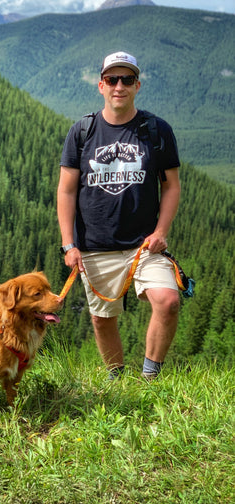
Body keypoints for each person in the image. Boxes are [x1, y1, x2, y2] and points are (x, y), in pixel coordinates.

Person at [57, 51, 181, 380]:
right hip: (96, 245)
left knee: (168, 301)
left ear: (137, 85)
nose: (119, 86)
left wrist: (161, 231)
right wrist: (69, 245)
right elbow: (66, 191)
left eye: (127, 80)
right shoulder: (82, 132)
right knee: (102, 318)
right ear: (101, 85)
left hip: (145, 246)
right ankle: (117, 379)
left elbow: (171, 186)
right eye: (112, 79)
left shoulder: (157, 131)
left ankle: (150, 378)